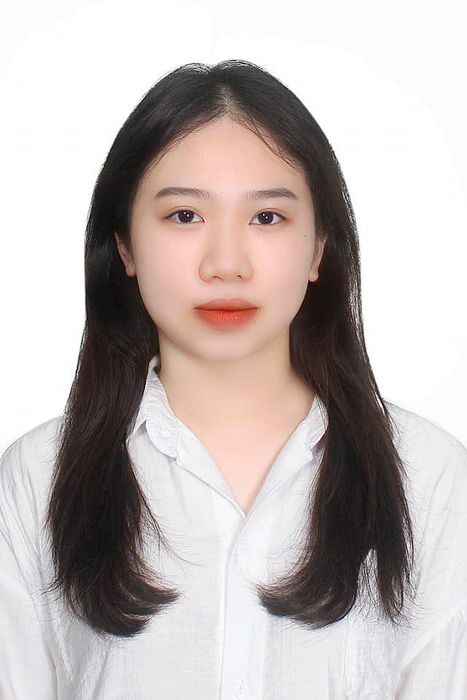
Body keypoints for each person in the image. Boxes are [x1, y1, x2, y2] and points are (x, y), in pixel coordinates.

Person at [1, 59, 466, 699]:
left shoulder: (430, 477)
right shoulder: (37, 478)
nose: (226, 264)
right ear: (126, 246)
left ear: (319, 248)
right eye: (185, 216)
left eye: (267, 217)